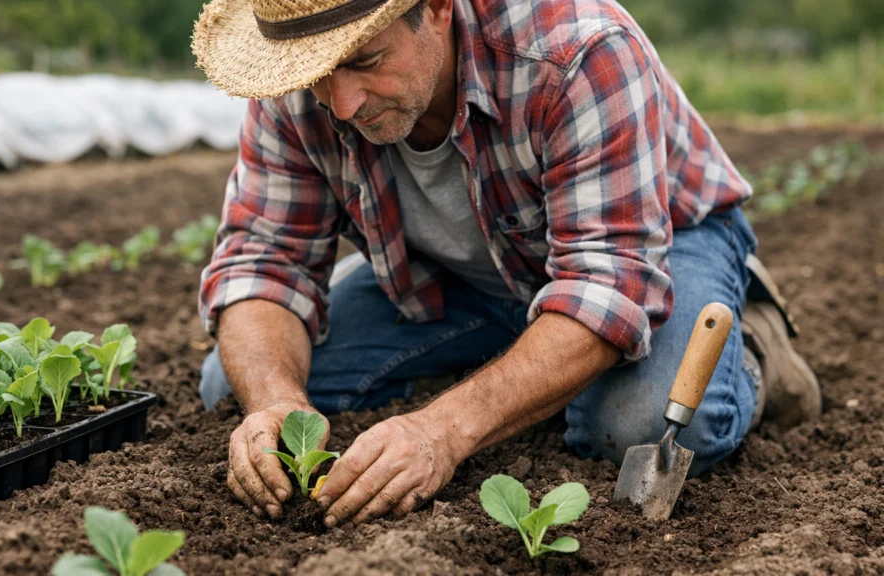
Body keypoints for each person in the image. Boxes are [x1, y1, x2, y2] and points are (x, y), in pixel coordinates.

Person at [191, 0, 822, 527]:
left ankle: (755, 349)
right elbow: (262, 261)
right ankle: (521, 364)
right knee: (238, 382)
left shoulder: (577, 51)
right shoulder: (302, 86)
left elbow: (606, 284)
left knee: (644, 423)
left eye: (364, 60)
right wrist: (274, 400)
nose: (343, 102)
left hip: (655, 246)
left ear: (436, 8)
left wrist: (443, 430)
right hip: (464, 275)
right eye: (316, 75)